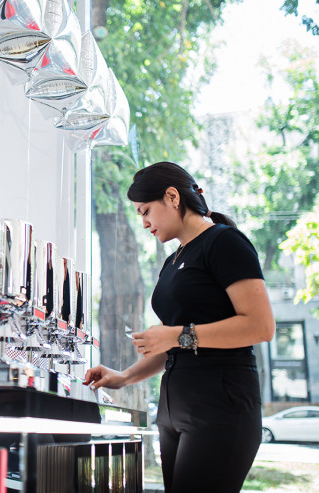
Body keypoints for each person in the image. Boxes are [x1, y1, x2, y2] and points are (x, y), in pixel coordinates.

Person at [83, 161, 275, 493]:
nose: (144, 223)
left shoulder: (225, 242)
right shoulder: (172, 262)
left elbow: (260, 326)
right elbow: (173, 345)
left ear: (172, 197)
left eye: (146, 211)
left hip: (220, 407)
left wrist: (175, 334)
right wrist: (124, 377)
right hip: (174, 412)